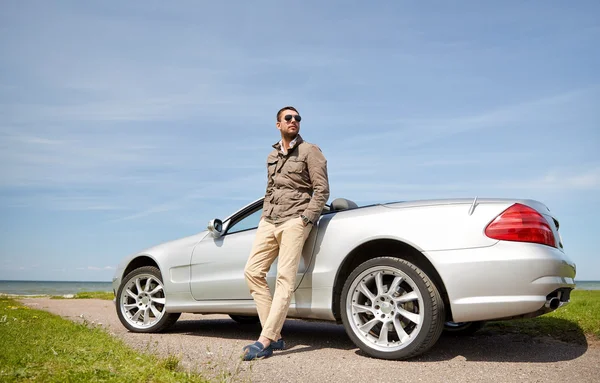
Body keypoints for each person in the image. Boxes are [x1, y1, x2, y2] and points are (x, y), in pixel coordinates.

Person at [242, 106, 330, 361]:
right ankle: (277, 337)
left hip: (295, 219)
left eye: (297, 118)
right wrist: (264, 217)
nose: (294, 121)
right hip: (269, 220)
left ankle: (266, 339)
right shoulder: (271, 156)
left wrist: (305, 219)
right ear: (278, 124)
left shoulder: (310, 151)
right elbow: (270, 189)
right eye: (288, 118)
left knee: (284, 279)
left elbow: (322, 190)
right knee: (252, 272)